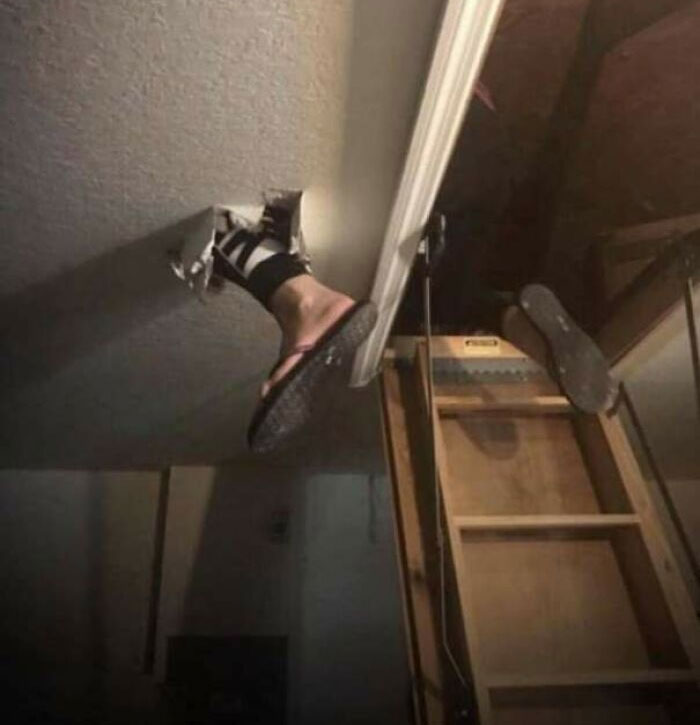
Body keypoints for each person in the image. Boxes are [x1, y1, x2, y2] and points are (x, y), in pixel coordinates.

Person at [174, 198, 614, 453]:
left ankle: (509, 318)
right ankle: (511, 322)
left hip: (464, 219)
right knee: (441, 304)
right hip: (442, 223)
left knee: (447, 303)